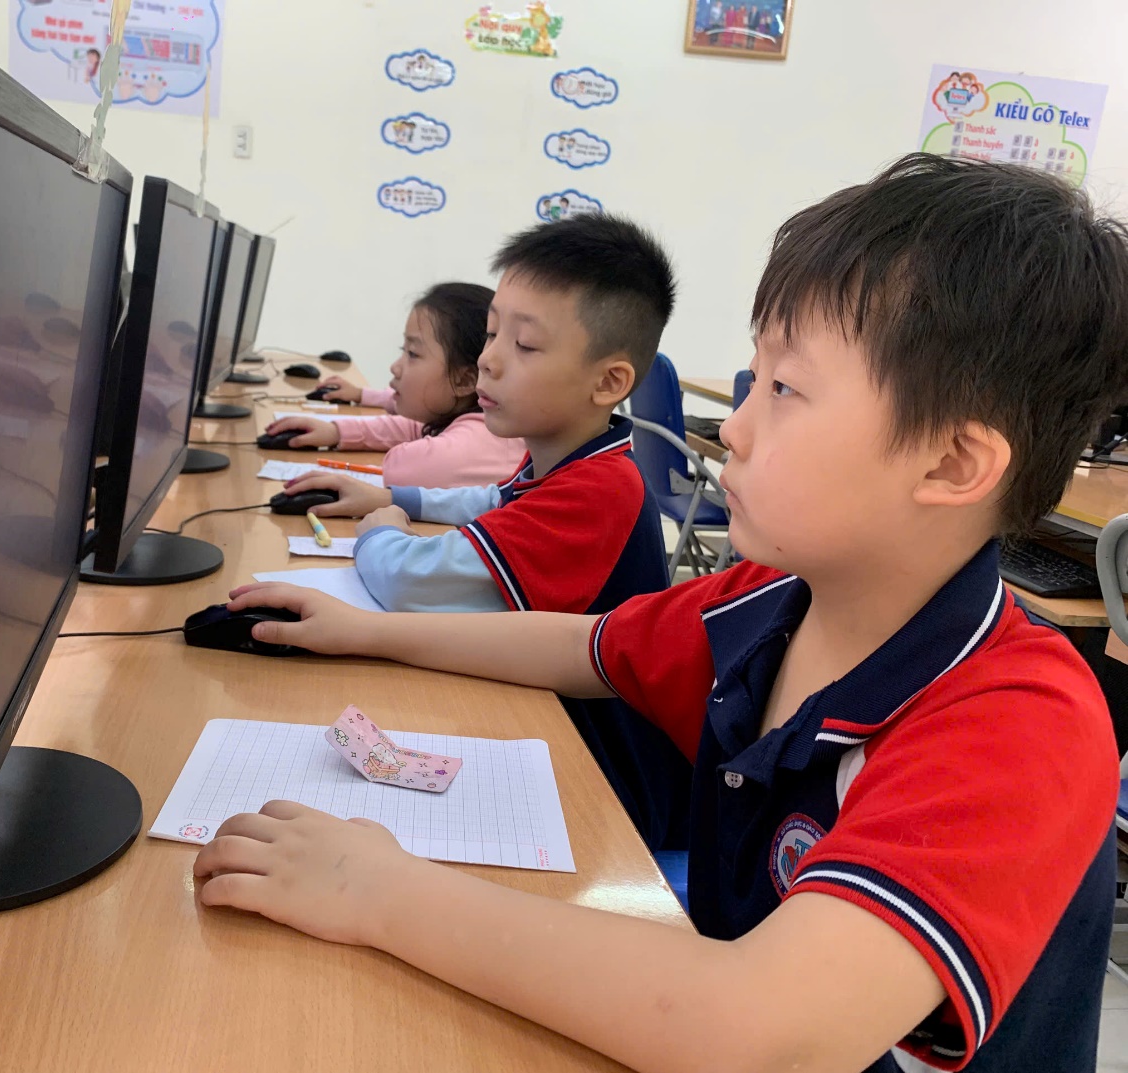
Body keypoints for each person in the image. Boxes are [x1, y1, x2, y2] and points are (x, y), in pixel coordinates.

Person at [196, 155, 1128, 1072]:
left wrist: (379, 888)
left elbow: (762, 1033)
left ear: (952, 466)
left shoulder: (1018, 719)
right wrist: (363, 630)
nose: (736, 426)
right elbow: (585, 645)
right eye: (752, 378)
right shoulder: (772, 601)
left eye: (786, 390)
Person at [274, 215, 688, 847]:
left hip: (603, 789)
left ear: (608, 382)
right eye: (492, 333)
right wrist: (390, 494)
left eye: (523, 346)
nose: (489, 361)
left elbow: (412, 583)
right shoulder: (571, 453)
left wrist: (380, 527)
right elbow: (493, 497)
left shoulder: (601, 489)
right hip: (549, 736)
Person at [267, 284, 525, 488]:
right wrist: (336, 431)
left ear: (464, 381)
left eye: (412, 353)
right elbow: (414, 426)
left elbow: (401, 468)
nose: (395, 367)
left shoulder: (482, 440)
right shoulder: (473, 417)